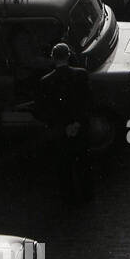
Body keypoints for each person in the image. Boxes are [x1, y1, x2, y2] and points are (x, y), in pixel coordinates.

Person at [38, 42, 93, 202]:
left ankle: (68, 198)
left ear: (53, 58)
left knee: (64, 166)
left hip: (60, 130)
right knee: (83, 162)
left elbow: (46, 110)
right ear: (69, 55)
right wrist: (77, 123)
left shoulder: (45, 82)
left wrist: (63, 126)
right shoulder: (81, 75)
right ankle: (87, 195)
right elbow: (88, 102)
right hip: (80, 126)